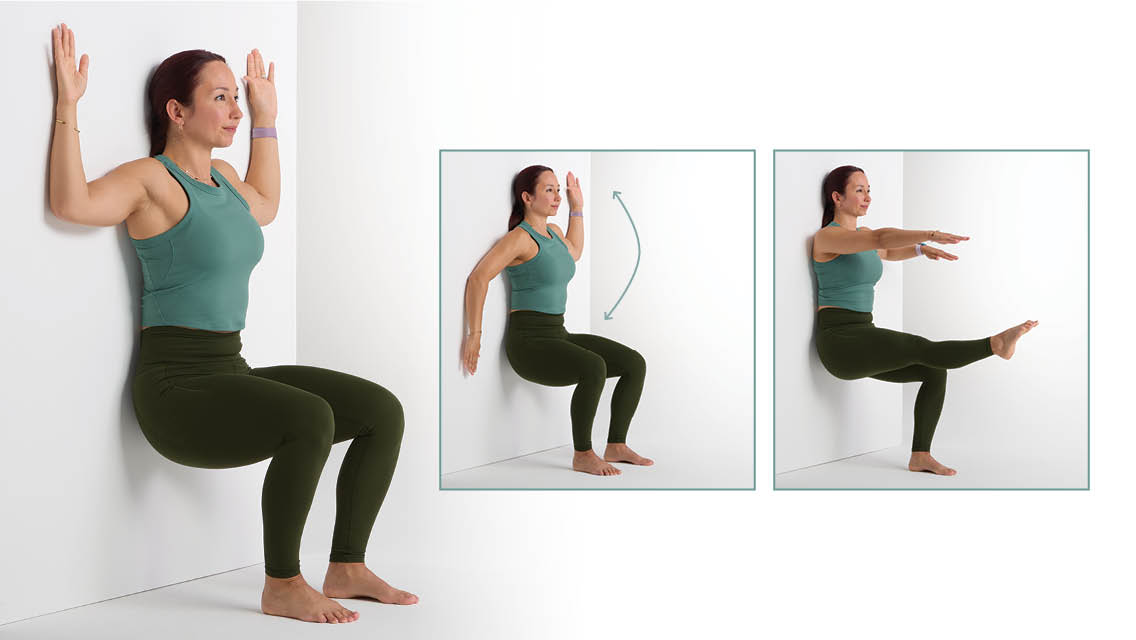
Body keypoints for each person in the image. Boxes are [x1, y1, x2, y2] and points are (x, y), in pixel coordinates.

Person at [47, 23, 414, 624]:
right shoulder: (150, 180)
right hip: (176, 392)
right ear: (176, 111)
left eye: (235, 98)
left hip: (229, 371)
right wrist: (68, 104)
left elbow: (265, 206)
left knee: (381, 410)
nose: (235, 110)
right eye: (220, 98)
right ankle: (282, 584)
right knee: (311, 417)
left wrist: (267, 118)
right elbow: (72, 203)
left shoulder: (225, 180)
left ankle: (347, 566)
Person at [811, 165, 1038, 476]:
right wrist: (929, 234)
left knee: (934, 370)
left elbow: (885, 251)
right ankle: (995, 345)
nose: (867, 197)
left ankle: (920, 455)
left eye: (869, 190)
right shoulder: (828, 237)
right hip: (839, 342)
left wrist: (920, 249)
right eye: (859, 190)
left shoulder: (862, 237)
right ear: (837, 197)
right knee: (922, 347)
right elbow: (881, 237)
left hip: (863, 333)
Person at [462, 166, 651, 476]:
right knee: (594, 367)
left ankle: (616, 445)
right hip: (528, 344)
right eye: (549, 190)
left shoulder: (555, 233)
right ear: (527, 197)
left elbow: (573, 252)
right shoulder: (519, 239)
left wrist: (577, 208)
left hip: (557, 334)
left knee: (633, 363)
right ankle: (583, 454)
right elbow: (478, 278)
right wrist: (474, 334)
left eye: (558, 190)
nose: (557, 197)